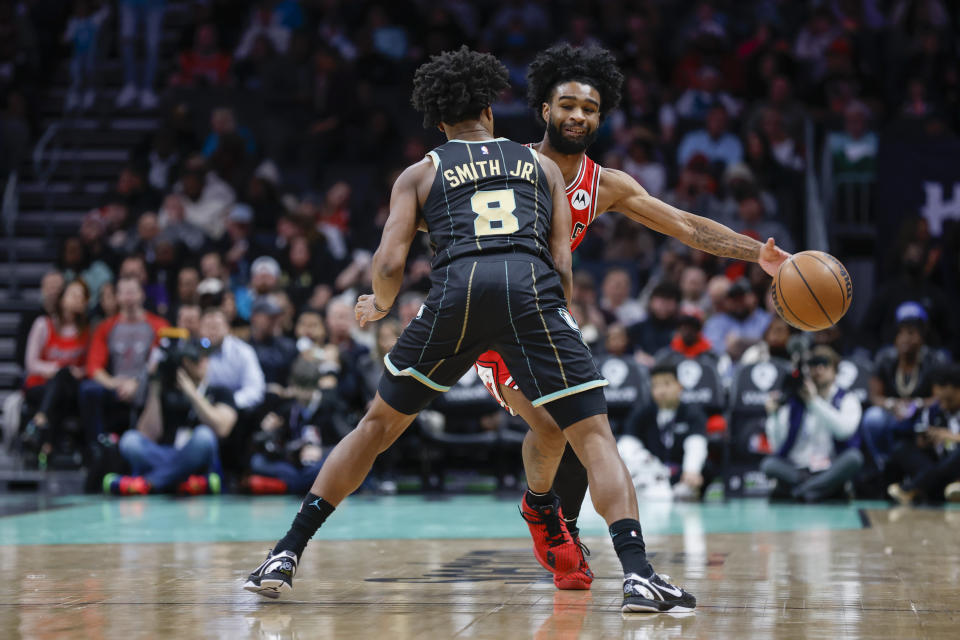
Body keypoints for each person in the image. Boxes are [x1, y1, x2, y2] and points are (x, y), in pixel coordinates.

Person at [243, 46, 696, 614]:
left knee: (376, 428)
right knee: (593, 436)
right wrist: (557, 323)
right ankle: (639, 575)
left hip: (456, 291)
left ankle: (286, 552)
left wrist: (378, 305)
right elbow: (561, 263)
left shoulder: (421, 171)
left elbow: (387, 266)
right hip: (531, 288)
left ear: (437, 121)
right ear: (490, 105)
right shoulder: (541, 165)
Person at [472, 44, 789, 591]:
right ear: (545, 110)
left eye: (590, 109)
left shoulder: (607, 184)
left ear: (601, 117)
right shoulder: (506, 162)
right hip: (493, 320)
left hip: (548, 317)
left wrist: (756, 254)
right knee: (552, 424)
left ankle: (573, 533)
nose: (577, 116)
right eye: (567, 105)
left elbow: (687, 226)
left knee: (585, 431)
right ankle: (541, 511)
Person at [106, 336, 235, 495]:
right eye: (195, 359)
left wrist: (192, 394)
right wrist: (155, 387)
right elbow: (147, 433)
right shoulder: (167, 391)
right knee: (130, 440)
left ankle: (150, 482)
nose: (202, 362)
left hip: (195, 456)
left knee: (204, 437)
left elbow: (222, 428)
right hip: (166, 453)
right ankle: (178, 481)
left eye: (204, 358)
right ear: (184, 363)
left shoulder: (220, 392)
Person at [761, 346, 863, 502]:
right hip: (798, 470)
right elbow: (777, 445)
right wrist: (773, 415)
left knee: (854, 458)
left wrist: (814, 402)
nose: (819, 369)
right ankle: (820, 490)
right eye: (814, 364)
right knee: (769, 465)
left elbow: (844, 431)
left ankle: (799, 493)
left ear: (835, 371)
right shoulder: (795, 399)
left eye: (825, 364)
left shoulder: (847, 399)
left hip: (830, 468)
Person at [80, 277, 169, 440]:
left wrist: (137, 383)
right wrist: (115, 383)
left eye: (132, 292)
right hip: (115, 385)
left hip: (146, 384)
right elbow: (94, 367)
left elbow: (159, 362)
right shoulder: (106, 327)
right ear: (117, 297)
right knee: (88, 390)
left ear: (142, 294)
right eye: (124, 292)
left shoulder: (159, 325)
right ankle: (97, 445)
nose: (129, 297)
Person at [21, 280, 91, 462]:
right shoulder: (43, 324)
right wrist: (58, 370)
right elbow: (31, 363)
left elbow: (89, 366)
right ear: (61, 299)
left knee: (64, 380)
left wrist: (75, 372)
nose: (77, 299)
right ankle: (48, 445)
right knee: (60, 380)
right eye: (72, 294)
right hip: (39, 386)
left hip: (71, 387)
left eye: (81, 296)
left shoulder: (87, 330)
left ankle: (39, 427)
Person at [625, 361, 709, 500]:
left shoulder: (692, 413)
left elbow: (696, 443)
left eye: (667, 384)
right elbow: (628, 444)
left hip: (681, 478)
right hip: (650, 478)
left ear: (679, 386)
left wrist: (691, 470)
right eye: (656, 386)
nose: (661, 391)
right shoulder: (642, 414)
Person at [887, 364, 960, 505]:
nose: (942, 405)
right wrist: (923, 441)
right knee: (901, 449)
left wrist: (951, 436)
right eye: (940, 400)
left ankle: (912, 488)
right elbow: (918, 434)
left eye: (948, 400)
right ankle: (942, 487)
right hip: (939, 464)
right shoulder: (934, 410)